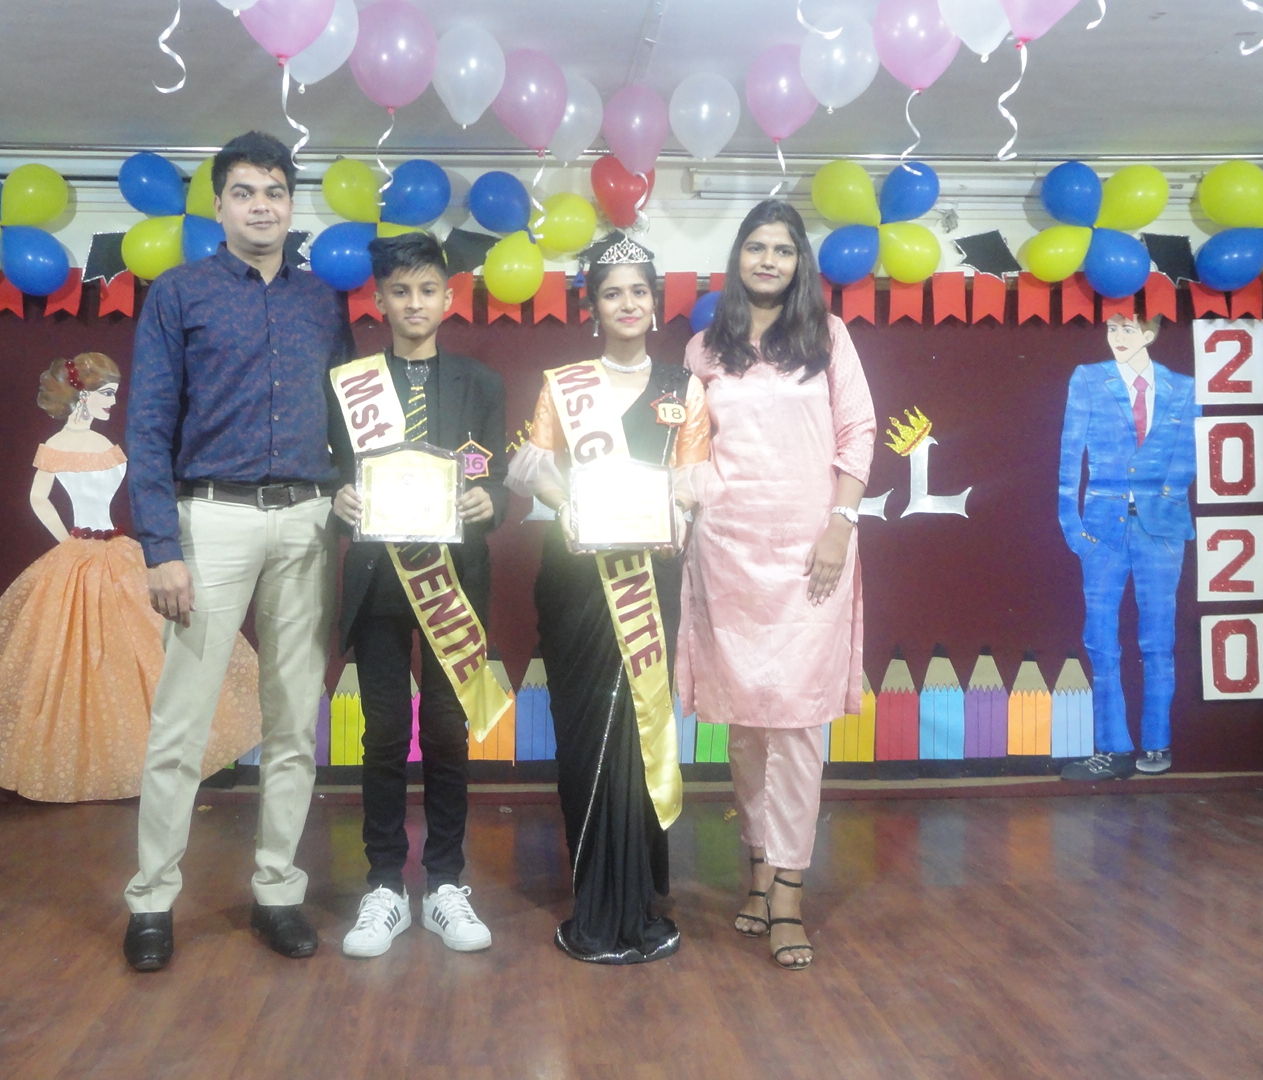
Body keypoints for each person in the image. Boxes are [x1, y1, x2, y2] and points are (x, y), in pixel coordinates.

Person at [121, 131, 351, 971]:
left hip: (305, 521)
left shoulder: (322, 302)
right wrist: (159, 546)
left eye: (276, 192)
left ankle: (278, 890)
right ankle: (151, 901)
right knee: (180, 724)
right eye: (246, 192)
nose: (262, 206)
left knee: (295, 719)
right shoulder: (179, 293)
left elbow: (349, 416)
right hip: (207, 521)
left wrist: (353, 494)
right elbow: (148, 424)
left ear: (292, 205)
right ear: (218, 205)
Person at [678, 200, 876, 971]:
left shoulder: (828, 338)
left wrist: (840, 525)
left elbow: (858, 432)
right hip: (727, 552)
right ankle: (759, 869)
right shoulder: (704, 349)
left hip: (809, 554)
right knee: (747, 725)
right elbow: (689, 449)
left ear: (800, 264)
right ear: (737, 257)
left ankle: (789, 893)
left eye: (783, 250)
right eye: (756, 247)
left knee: (794, 725)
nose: (768, 260)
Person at [0, 353, 261, 803]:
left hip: (118, 552)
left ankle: (143, 762)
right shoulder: (56, 445)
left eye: (114, 395)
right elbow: (38, 497)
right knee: (71, 656)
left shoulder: (107, 444)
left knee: (142, 652)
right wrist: (67, 539)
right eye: (106, 394)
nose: (113, 403)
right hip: (79, 553)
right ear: (81, 394)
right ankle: (79, 767)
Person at [507, 234, 707, 964]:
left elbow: (692, 479)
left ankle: (637, 901)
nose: (628, 303)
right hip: (577, 584)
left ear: (656, 302)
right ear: (592, 305)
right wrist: (566, 503)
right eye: (612, 292)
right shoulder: (565, 385)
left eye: (639, 291)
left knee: (639, 727)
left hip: (649, 580)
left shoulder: (683, 388)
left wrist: (676, 512)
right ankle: (593, 901)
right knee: (588, 733)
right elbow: (537, 467)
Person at [328, 232, 509, 958]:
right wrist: (337, 498)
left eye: (427, 289)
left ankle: (444, 883)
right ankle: (383, 885)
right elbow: (329, 471)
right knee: (380, 732)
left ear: (447, 298)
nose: (414, 303)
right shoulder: (350, 383)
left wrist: (491, 502)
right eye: (399, 291)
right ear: (379, 300)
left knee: (444, 730)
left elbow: (495, 479)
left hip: (453, 584)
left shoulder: (481, 383)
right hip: (377, 579)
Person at [1056, 312, 1199, 781]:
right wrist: (1072, 525)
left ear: (1150, 334)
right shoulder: (1088, 379)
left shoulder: (1183, 387)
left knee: (1159, 640)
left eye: (1129, 329)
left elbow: (1187, 456)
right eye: (1112, 328)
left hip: (1162, 530)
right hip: (1103, 528)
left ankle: (1157, 742)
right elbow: (1070, 453)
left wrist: (1163, 500)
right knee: (1101, 640)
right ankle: (1113, 748)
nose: (1117, 337)